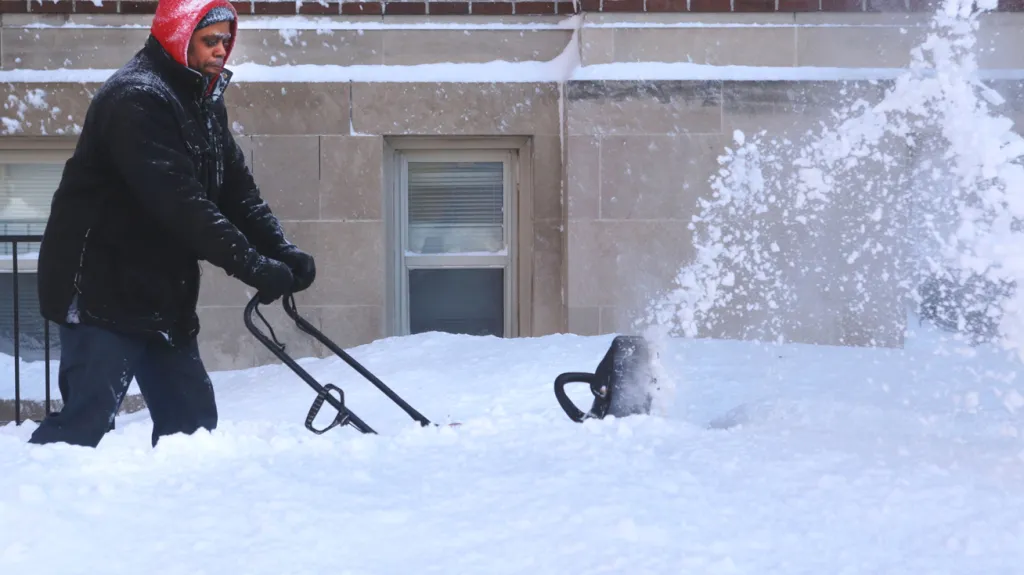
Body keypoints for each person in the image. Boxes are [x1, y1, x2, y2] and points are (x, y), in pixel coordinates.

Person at [27, 0, 316, 448]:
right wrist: (253, 267)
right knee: (83, 427)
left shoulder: (202, 100)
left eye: (226, 40)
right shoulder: (136, 98)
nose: (221, 50)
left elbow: (237, 191)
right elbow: (182, 205)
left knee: (193, 427)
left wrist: (281, 250)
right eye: (209, 41)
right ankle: (39, 506)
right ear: (178, 38)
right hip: (100, 289)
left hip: (161, 291)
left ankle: (189, 516)